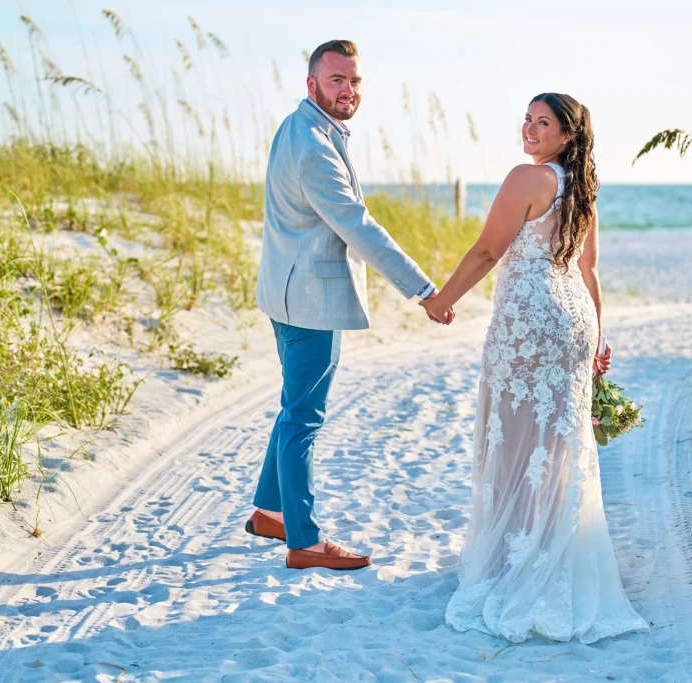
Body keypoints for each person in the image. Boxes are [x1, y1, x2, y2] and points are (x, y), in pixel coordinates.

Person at [423, 93, 649, 642]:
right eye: (527, 118)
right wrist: (598, 334)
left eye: (542, 122)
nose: (529, 128)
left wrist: (441, 299)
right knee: (559, 439)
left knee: (515, 434)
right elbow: (588, 268)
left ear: (567, 135)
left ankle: (515, 557)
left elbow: (484, 252)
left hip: (529, 320)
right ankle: (552, 545)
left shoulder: (528, 179)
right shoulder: (584, 188)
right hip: (573, 319)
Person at [247, 40, 453, 572]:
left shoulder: (303, 125)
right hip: (308, 301)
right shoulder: (314, 146)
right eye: (337, 80)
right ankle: (306, 541)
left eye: (355, 81)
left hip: (287, 291)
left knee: (294, 406)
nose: (349, 90)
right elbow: (358, 226)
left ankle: (272, 511)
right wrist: (424, 290)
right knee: (303, 418)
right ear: (312, 83)